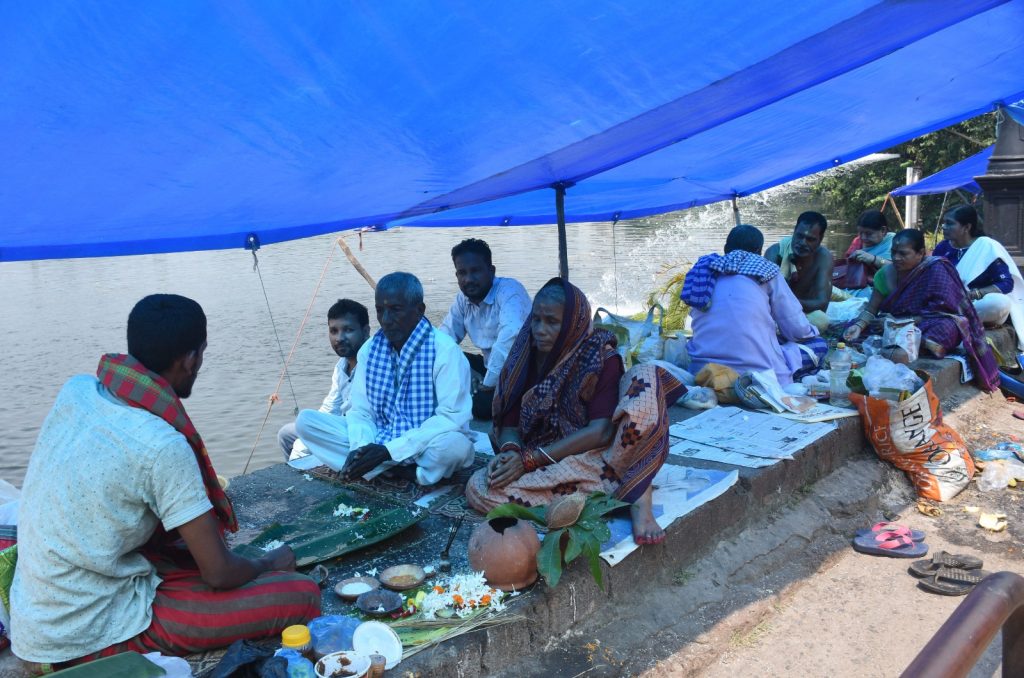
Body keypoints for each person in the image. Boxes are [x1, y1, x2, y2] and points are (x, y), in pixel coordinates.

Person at [10, 294, 319, 672]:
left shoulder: (77, 390)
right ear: (190, 359)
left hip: (36, 613)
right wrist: (269, 563)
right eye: (201, 354)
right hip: (81, 631)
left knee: (185, 557)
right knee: (300, 594)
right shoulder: (161, 446)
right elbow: (219, 574)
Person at [465, 278, 687, 545]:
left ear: (573, 322)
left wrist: (529, 460)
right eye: (536, 320)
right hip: (554, 460)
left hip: (603, 454)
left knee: (646, 376)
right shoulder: (525, 351)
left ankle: (639, 494)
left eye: (552, 322)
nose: (540, 330)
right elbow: (508, 419)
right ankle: (614, 491)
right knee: (479, 489)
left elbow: (602, 431)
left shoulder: (601, 356)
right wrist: (512, 452)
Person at [296, 272, 475, 485]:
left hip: (424, 444)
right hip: (379, 437)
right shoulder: (369, 350)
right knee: (306, 422)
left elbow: (451, 418)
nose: (386, 321)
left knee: (455, 446)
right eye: (380, 311)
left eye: (395, 310)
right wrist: (362, 449)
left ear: (419, 310)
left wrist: (389, 451)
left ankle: (402, 472)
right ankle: (383, 469)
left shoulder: (445, 351)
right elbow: (361, 411)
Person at [844, 229, 1000, 391]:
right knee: (854, 329)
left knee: (948, 328)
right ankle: (901, 347)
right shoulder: (884, 274)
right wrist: (860, 325)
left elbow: (947, 312)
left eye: (903, 254)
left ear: (920, 253)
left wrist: (900, 322)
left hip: (925, 324)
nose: (896, 258)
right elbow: (871, 310)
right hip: (893, 326)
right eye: (893, 252)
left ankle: (911, 347)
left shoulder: (936, 269)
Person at [683, 225, 827, 386]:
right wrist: (813, 330)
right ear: (759, 251)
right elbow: (797, 330)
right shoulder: (767, 271)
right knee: (820, 345)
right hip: (760, 376)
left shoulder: (704, 272)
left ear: (725, 248)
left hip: (702, 371)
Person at [440, 238, 531, 420]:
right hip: (488, 366)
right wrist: (463, 367)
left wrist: (487, 384)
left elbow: (509, 340)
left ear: (491, 271)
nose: (468, 279)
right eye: (462, 273)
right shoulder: (463, 300)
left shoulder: (510, 291)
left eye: (475, 271)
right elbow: (443, 339)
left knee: (481, 406)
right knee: (445, 356)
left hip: (518, 373)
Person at [278, 299, 371, 460]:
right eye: (334, 331)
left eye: (348, 330)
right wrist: (310, 432)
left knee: (302, 446)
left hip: (362, 433)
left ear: (365, 331)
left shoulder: (372, 364)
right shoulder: (341, 366)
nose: (339, 338)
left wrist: (305, 443)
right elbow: (330, 408)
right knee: (287, 434)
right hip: (342, 425)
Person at [934, 205, 1024, 349]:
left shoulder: (986, 246)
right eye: (944, 223)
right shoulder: (943, 247)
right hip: (947, 303)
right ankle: (952, 320)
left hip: (977, 305)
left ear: (966, 227)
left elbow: (1006, 283)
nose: (944, 227)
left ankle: (950, 320)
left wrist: (974, 294)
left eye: (950, 223)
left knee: (999, 302)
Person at [765, 211, 834, 333]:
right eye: (799, 236)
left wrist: (788, 302)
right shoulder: (775, 253)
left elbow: (822, 303)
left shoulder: (823, 257)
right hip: (775, 313)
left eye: (810, 239)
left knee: (822, 320)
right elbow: (764, 297)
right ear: (794, 232)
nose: (803, 243)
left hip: (802, 313)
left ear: (820, 239)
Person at [839, 210, 894, 297]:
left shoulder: (894, 242)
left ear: (883, 230)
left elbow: (897, 269)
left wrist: (873, 259)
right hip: (854, 285)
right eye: (860, 233)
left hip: (880, 289)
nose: (863, 237)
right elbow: (847, 267)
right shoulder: (857, 241)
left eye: (869, 234)